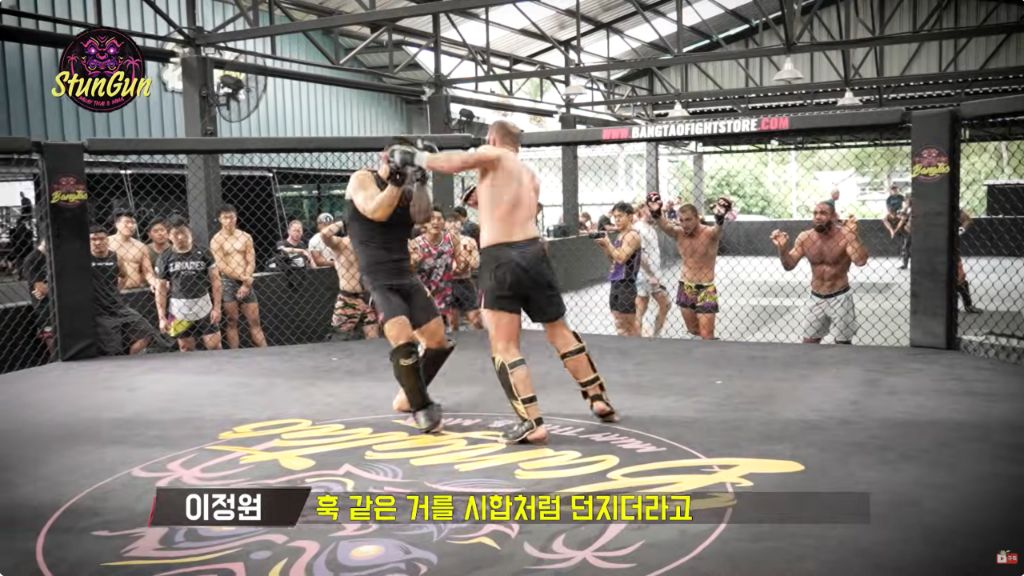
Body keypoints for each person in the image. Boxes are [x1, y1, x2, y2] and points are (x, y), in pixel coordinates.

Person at [419, 119, 618, 445]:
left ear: (493, 138)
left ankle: (531, 422)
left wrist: (418, 157)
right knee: (560, 331)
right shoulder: (529, 176)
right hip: (534, 254)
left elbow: (454, 163)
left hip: (501, 258)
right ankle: (597, 397)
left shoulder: (494, 154)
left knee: (504, 345)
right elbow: (509, 207)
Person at [344, 143, 455, 433]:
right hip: (376, 278)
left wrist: (421, 181)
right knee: (404, 340)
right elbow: (375, 211)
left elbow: (422, 217)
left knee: (438, 342)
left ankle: (408, 395)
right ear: (385, 158)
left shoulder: (407, 188)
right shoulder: (362, 179)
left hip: (405, 274)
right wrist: (395, 179)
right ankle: (421, 406)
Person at [770, 201, 869, 344]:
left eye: (823, 213)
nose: (817, 217)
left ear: (834, 216)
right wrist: (782, 248)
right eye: (815, 213)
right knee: (809, 343)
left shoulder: (845, 236)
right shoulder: (805, 237)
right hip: (816, 297)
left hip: (840, 297)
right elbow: (789, 265)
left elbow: (860, 261)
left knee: (843, 344)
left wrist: (852, 235)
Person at [650, 194, 730, 340]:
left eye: (688, 220)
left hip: (705, 288)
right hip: (686, 286)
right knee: (693, 329)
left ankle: (709, 346)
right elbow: (665, 226)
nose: (684, 224)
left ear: (697, 218)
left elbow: (717, 230)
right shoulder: (679, 233)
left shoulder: (709, 233)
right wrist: (656, 213)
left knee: (707, 334)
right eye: (681, 220)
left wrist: (720, 218)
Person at [154, 215, 223, 352]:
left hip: (203, 305)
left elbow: (216, 281)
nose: (180, 237)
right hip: (179, 308)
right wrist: (161, 317)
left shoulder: (204, 252)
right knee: (186, 348)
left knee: (214, 345)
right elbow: (160, 288)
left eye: (183, 233)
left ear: (189, 232)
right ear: (169, 236)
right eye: (176, 234)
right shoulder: (165, 257)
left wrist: (217, 308)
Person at [88, 225, 157, 356]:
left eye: (101, 239)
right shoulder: (84, 258)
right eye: (93, 239)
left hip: (117, 306)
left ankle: (131, 358)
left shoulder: (115, 257)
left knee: (147, 332)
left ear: (107, 240)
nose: (97, 242)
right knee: (113, 350)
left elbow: (124, 276)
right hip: (99, 310)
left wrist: (115, 291)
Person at [210, 205, 267, 349]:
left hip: (246, 280)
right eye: (225, 218)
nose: (229, 221)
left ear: (236, 218)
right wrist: (245, 278)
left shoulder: (245, 237)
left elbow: (251, 260)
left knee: (255, 322)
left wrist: (246, 283)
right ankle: (234, 354)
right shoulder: (217, 240)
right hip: (228, 281)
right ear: (220, 219)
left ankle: (265, 351)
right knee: (231, 321)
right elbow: (221, 265)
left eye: (232, 217)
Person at [319, 218, 380, 340]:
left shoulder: (369, 246)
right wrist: (343, 221)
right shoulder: (341, 243)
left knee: (373, 339)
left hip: (367, 298)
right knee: (340, 340)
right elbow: (324, 234)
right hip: (348, 299)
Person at [594, 202, 642, 337]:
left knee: (630, 326)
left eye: (620, 216)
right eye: (615, 217)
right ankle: (625, 348)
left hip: (626, 284)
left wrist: (608, 243)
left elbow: (621, 259)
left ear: (630, 216)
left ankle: (640, 347)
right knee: (619, 323)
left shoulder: (632, 235)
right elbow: (614, 260)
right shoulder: (621, 235)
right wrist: (605, 246)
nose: (617, 220)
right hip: (616, 282)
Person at [410, 207, 461, 331]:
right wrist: (415, 262)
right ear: (425, 223)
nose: (435, 222)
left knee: (453, 326)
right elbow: (410, 269)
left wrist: (458, 267)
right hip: (423, 291)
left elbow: (458, 261)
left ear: (444, 222)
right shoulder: (416, 244)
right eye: (431, 219)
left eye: (439, 219)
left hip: (446, 289)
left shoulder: (452, 239)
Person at [633, 201, 671, 338]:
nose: (653, 212)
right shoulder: (639, 228)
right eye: (650, 210)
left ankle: (651, 337)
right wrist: (650, 275)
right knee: (662, 304)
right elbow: (639, 254)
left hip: (651, 274)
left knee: (643, 308)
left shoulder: (649, 227)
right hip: (646, 275)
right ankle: (650, 338)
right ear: (642, 210)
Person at [446, 211, 482, 331]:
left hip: (465, 281)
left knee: (475, 319)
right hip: (448, 283)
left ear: (461, 224)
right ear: (445, 224)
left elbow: (476, 263)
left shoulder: (469, 241)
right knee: (452, 322)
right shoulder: (440, 242)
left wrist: (466, 263)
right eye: (450, 222)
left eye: (456, 221)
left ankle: (481, 339)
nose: (453, 224)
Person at [107, 210, 157, 291]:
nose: (130, 225)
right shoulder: (106, 243)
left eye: (133, 223)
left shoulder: (141, 246)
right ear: (117, 224)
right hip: (111, 291)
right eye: (127, 222)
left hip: (135, 290)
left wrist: (154, 283)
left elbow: (148, 272)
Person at [21, 239, 54, 358]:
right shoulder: (32, 259)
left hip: (58, 303)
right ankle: (56, 359)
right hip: (44, 306)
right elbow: (41, 289)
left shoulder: (54, 256)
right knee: (50, 334)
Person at [956, 207, 981, 314]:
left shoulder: (953, 208)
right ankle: (965, 305)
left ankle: (967, 305)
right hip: (935, 249)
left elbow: (968, 220)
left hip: (951, 250)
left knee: (960, 278)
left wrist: (959, 231)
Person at [894, 196, 912, 270]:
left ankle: (905, 264)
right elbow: (899, 214)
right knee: (906, 247)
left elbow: (903, 216)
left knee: (906, 247)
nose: (906, 202)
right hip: (908, 231)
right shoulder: (908, 209)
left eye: (907, 201)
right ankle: (905, 264)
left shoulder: (911, 209)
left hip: (911, 231)